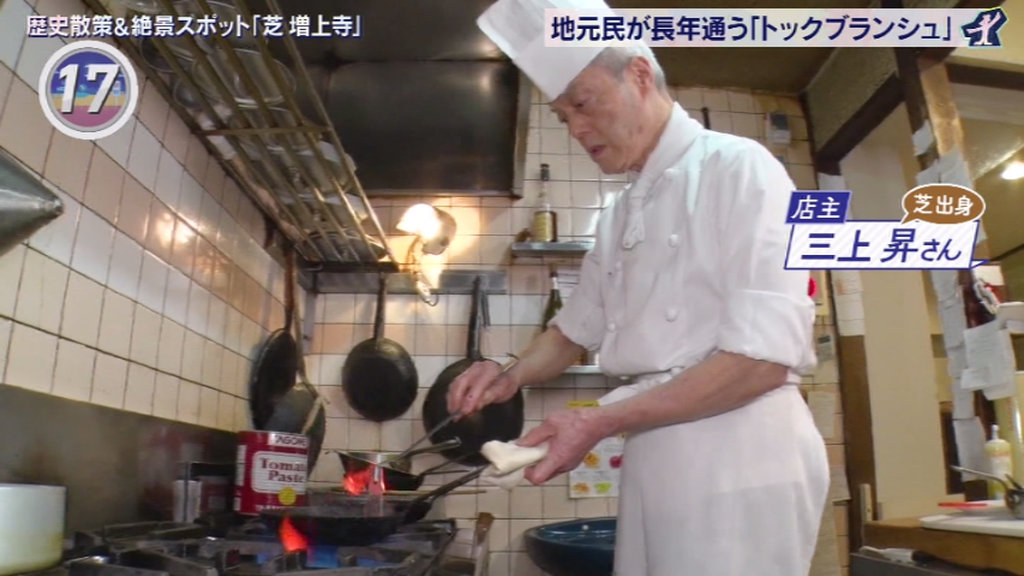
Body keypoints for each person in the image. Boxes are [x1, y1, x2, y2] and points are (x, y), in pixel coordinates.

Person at [450, 1, 830, 574]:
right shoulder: (619, 215)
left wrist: (598, 420)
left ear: (640, 75)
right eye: (563, 117)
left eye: (583, 103)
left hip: (741, 456)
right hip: (656, 451)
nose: (577, 129)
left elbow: (762, 361)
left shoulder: (741, 168)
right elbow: (572, 330)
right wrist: (508, 374)